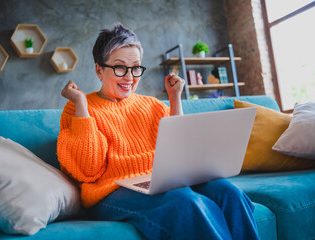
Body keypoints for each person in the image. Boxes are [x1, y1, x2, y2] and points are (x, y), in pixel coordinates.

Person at [57, 23, 260, 240]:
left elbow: (181, 150)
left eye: (135, 68)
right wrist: (80, 104)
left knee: (230, 193)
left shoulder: (151, 105)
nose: (129, 77)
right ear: (99, 69)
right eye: (119, 67)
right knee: (184, 202)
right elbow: (87, 169)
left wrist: (174, 99)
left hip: (162, 180)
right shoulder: (78, 107)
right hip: (111, 192)